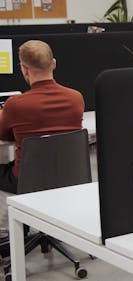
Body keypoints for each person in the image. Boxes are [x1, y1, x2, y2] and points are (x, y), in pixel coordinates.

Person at [0, 40, 84, 195]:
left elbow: (4, 136)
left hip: (27, 180)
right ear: (53, 64)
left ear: (24, 69)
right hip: (69, 177)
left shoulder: (15, 104)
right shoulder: (76, 98)